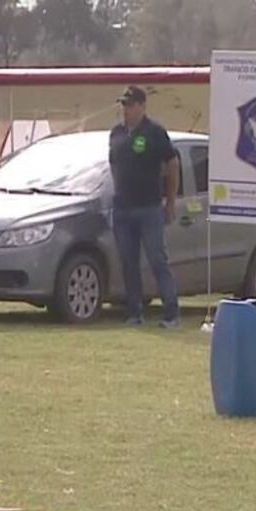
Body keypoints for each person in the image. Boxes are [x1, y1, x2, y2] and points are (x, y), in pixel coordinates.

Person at [108, 85, 181, 328]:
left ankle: (171, 313)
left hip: (149, 208)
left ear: (141, 106)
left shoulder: (155, 132)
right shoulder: (116, 134)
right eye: (123, 106)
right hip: (123, 209)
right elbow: (113, 166)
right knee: (128, 262)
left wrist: (170, 201)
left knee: (157, 259)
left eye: (129, 105)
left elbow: (172, 165)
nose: (125, 110)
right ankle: (134, 312)